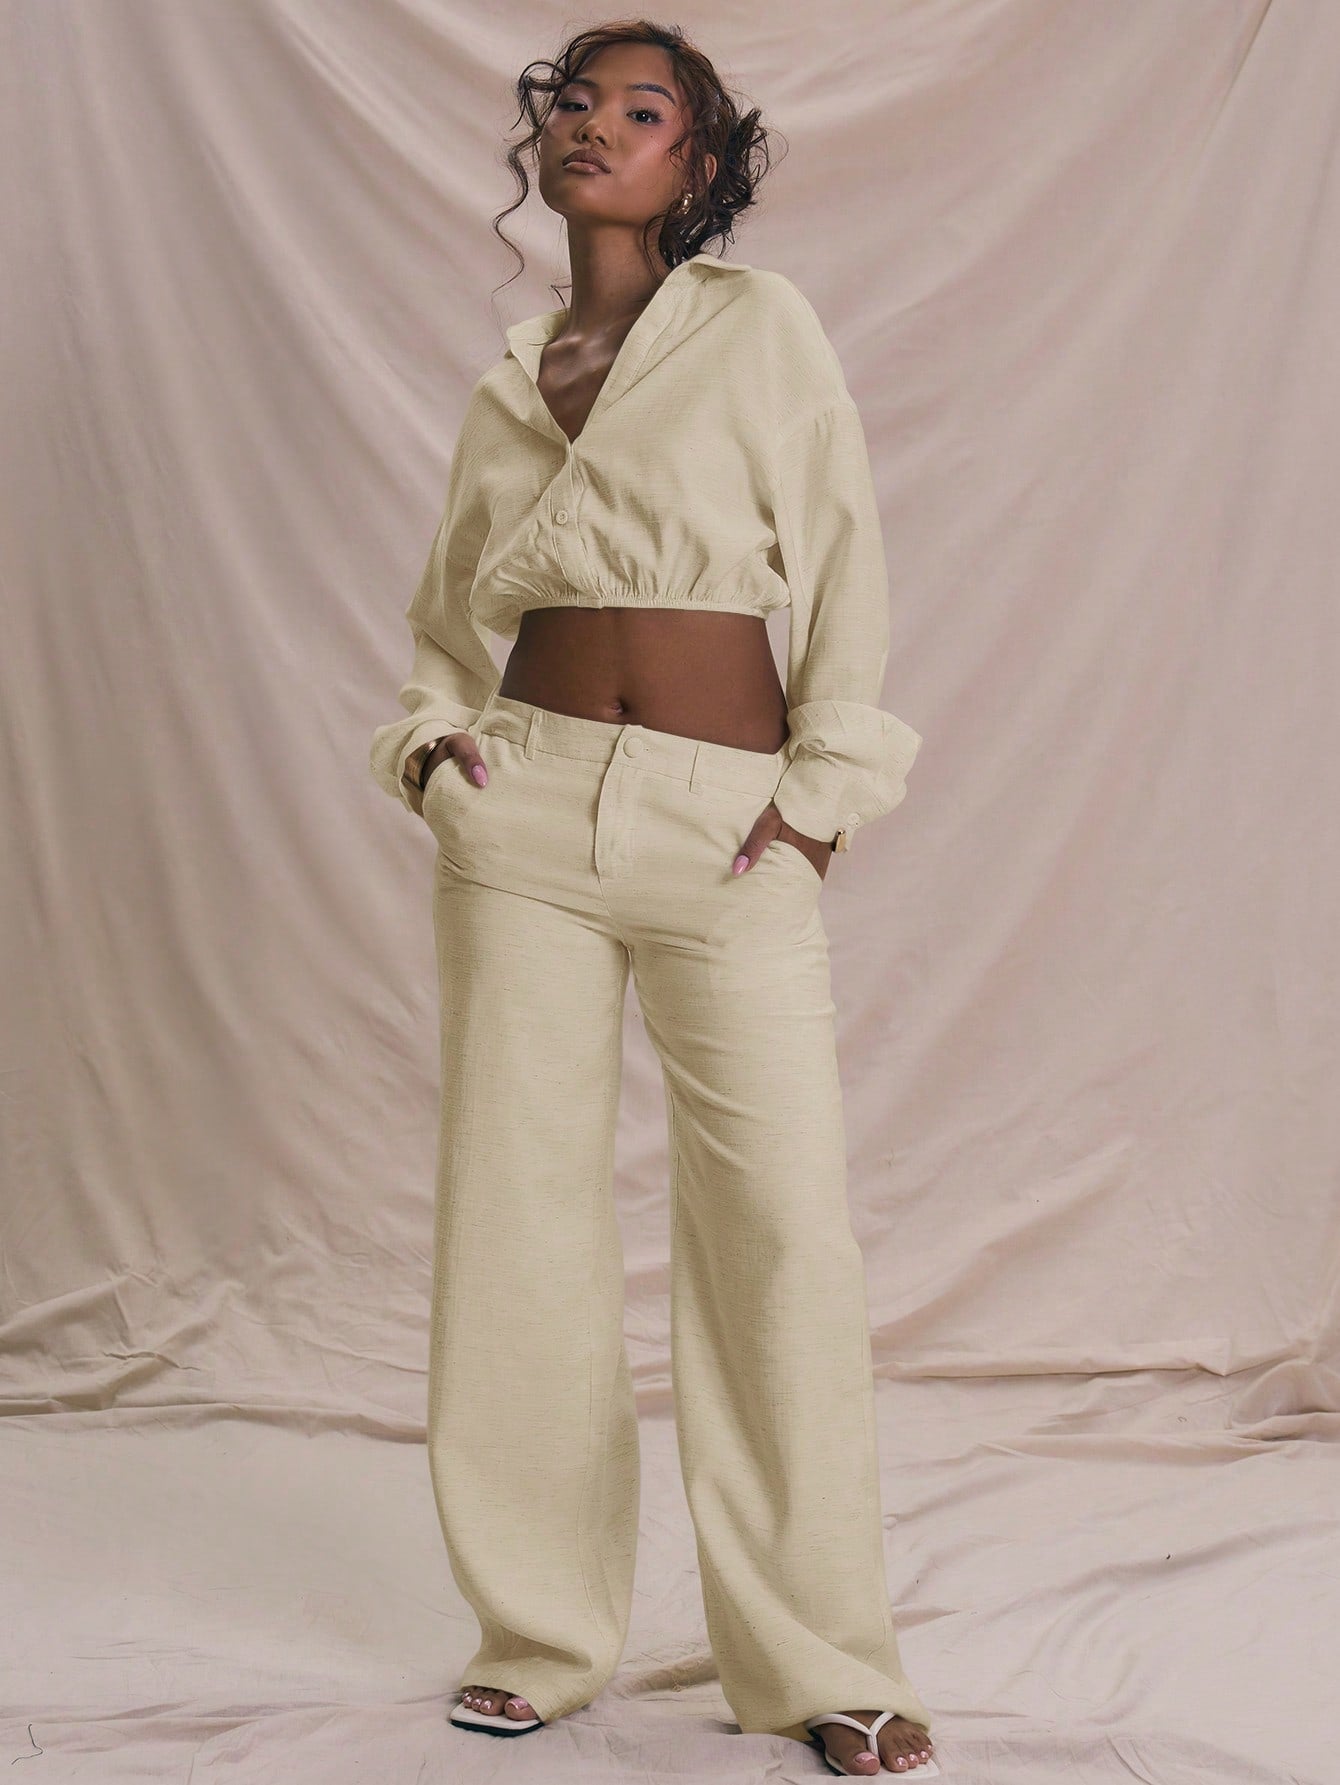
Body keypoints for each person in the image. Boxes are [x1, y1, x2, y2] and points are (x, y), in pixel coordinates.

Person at [369, 21, 940, 1780]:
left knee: (781, 1230)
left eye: (643, 108)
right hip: (524, 815)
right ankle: (538, 1633)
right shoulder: (508, 380)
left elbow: (840, 556)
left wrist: (819, 808)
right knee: (518, 1225)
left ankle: (822, 1655)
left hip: (725, 830)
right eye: (575, 99)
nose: (594, 125)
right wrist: (435, 750)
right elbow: (446, 624)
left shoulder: (763, 330)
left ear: (696, 162)